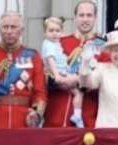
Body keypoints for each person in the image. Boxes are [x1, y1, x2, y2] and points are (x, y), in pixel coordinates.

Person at [0, 11, 47, 128]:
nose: (9, 31)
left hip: (23, 121)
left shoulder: (33, 56)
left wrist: (36, 113)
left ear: (21, 30)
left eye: (13, 27)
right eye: (5, 27)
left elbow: (39, 91)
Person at [44, 0, 105, 128]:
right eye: (81, 15)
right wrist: (58, 80)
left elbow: (105, 79)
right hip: (56, 114)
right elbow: (45, 72)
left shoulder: (103, 46)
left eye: (89, 15)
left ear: (95, 18)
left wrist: (77, 79)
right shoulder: (59, 42)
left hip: (87, 118)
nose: (85, 19)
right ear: (75, 18)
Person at [41, 17, 84, 128]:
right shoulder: (49, 45)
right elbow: (50, 60)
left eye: (57, 31)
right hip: (57, 75)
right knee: (77, 91)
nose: (54, 33)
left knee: (78, 93)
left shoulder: (58, 44)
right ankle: (77, 115)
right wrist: (57, 76)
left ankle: (77, 115)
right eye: (51, 31)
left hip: (63, 72)